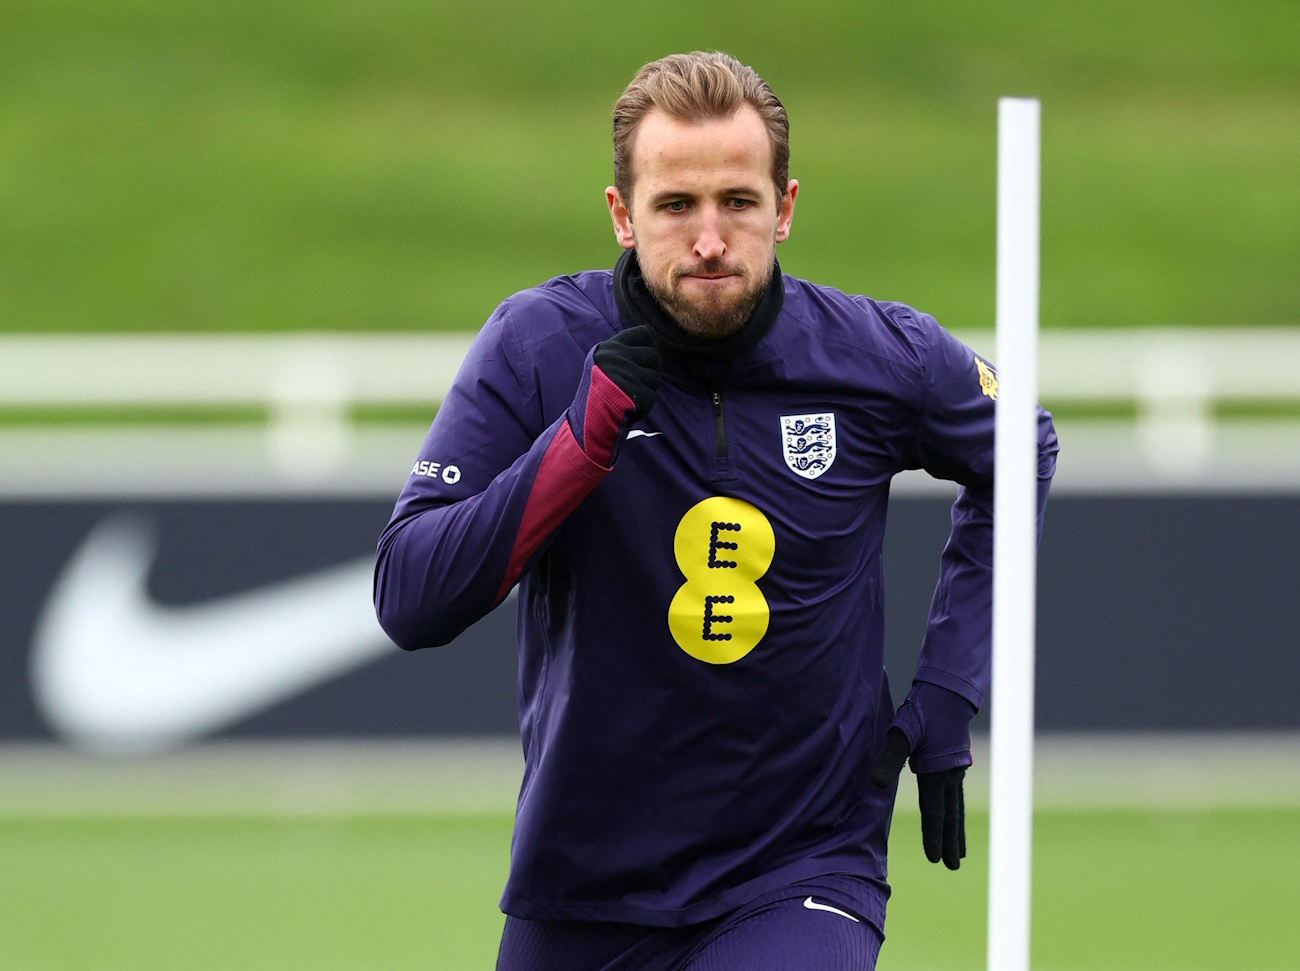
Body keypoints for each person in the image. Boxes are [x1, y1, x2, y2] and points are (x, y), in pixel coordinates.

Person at [374, 50, 1057, 970]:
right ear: (622, 216)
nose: (709, 240)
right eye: (675, 206)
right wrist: (580, 440)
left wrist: (948, 687)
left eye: (738, 202)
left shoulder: (876, 355)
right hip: (584, 879)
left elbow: (1023, 448)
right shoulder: (537, 344)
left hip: (801, 864)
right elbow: (412, 596)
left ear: (785, 206)